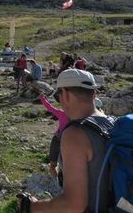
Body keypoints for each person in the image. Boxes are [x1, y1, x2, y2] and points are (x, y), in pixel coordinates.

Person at [21, 69, 113, 213]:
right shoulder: (111, 123)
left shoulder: (75, 134)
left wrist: (30, 206)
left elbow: (74, 205)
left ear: (65, 94)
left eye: (58, 97)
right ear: (94, 94)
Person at [39, 93, 68, 179]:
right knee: (53, 164)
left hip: (65, 140)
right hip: (58, 139)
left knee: (62, 165)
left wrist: (43, 99)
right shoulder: (62, 113)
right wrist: (43, 99)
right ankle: (56, 181)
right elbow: (50, 108)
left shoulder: (76, 116)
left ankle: (60, 182)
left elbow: (50, 108)